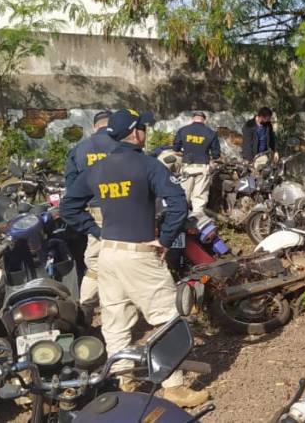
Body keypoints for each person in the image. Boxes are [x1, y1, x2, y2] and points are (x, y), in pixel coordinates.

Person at [61, 109, 209, 408]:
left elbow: (68, 209)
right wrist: (166, 240)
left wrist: (96, 231)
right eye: (142, 127)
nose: (145, 132)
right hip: (140, 254)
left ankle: (125, 384)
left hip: (109, 254)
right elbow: (179, 204)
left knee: (115, 323)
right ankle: (175, 388)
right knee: (168, 317)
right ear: (135, 132)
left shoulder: (97, 170)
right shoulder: (148, 164)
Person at [63, 109, 117, 320]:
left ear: (94, 126)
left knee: (95, 261)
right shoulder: (122, 147)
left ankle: (86, 310)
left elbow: (71, 188)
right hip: (123, 208)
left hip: (95, 210)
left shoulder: (79, 149)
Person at [173, 112, 221, 213]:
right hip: (202, 167)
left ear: (192, 119)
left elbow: (176, 148)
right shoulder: (211, 133)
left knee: (183, 197)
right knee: (199, 199)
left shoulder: (183, 130)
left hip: (187, 167)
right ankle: (196, 224)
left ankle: (181, 223)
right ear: (205, 120)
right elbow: (216, 155)